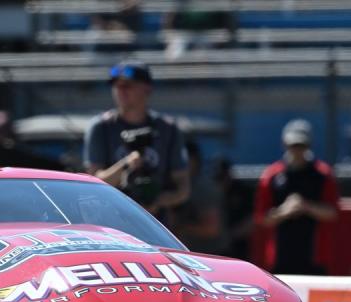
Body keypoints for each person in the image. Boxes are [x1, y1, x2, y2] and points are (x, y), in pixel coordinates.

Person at [83, 60, 190, 222]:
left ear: (147, 88)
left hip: (155, 224)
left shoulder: (168, 129)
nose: (120, 91)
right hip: (111, 223)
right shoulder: (101, 127)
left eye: (128, 85)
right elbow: (93, 184)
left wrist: (155, 200)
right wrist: (126, 164)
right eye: (116, 86)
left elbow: (182, 188)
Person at [252, 119, 339, 274]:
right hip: (280, 257)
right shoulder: (272, 175)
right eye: (293, 146)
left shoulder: (322, 174)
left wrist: (306, 206)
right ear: (284, 145)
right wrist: (285, 210)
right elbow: (262, 217)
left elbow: (332, 213)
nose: (297, 151)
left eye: (301, 146)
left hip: (314, 257)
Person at [172, 140, 227, 255]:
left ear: (195, 161)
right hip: (187, 254)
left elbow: (211, 229)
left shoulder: (204, 188)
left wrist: (179, 227)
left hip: (211, 255)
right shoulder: (174, 185)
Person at [213, 156, 253, 260]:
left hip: (240, 245)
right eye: (218, 178)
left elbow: (253, 218)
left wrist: (231, 235)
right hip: (216, 246)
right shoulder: (211, 192)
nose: (221, 182)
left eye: (223, 177)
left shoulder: (242, 191)